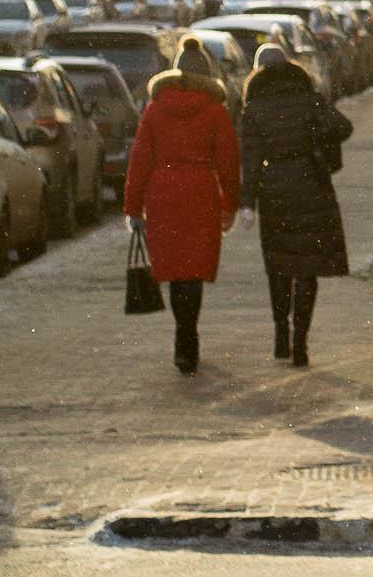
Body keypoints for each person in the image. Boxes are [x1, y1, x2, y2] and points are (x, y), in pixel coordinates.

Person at [124, 38, 240, 375]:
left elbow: (140, 159)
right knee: (194, 269)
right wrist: (230, 203)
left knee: (175, 268)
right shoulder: (215, 110)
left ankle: (182, 339)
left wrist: (133, 207)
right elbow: (229, 161)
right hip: (201, 193)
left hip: (164, 195)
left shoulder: (156, 108)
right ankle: (189, 337)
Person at [238, 42, 352, 367]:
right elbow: (343, 126)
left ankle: (280, 331)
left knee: (279, 265)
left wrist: (247, 204)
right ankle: (301, 342)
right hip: (311, 185)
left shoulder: (254, 108)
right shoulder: (309, 99)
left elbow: (249, 160)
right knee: (307, 268)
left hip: (274, 191)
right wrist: (315, 137)